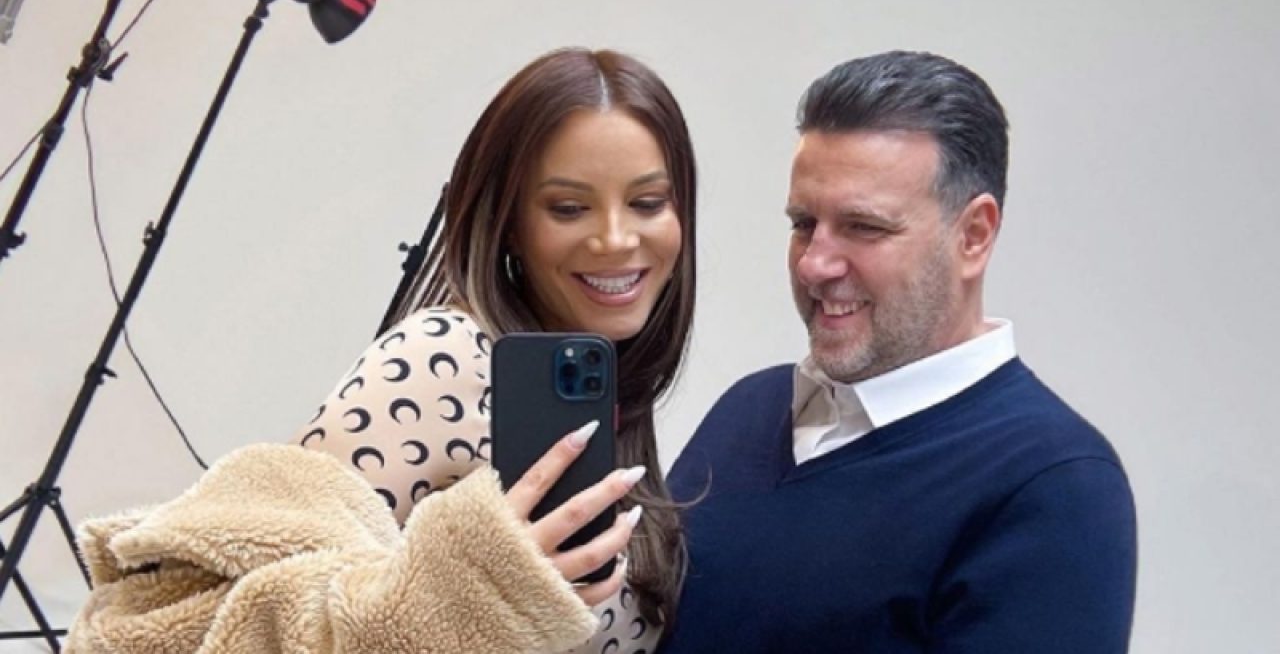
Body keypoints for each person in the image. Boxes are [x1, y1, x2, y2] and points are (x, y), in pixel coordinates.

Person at [67, 48, 697, 654]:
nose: (616, 238)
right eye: (568, 208)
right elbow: (188, 620)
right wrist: (466, 597)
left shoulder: (609, 399)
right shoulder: (444, 360)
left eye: (647, 203)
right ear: (509, 223)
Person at [664, 51, 1138, 653]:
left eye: (864, 227)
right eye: (804, 223)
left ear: (974, 235)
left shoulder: (1055, 485)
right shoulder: (750, 410)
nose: (814, 264)